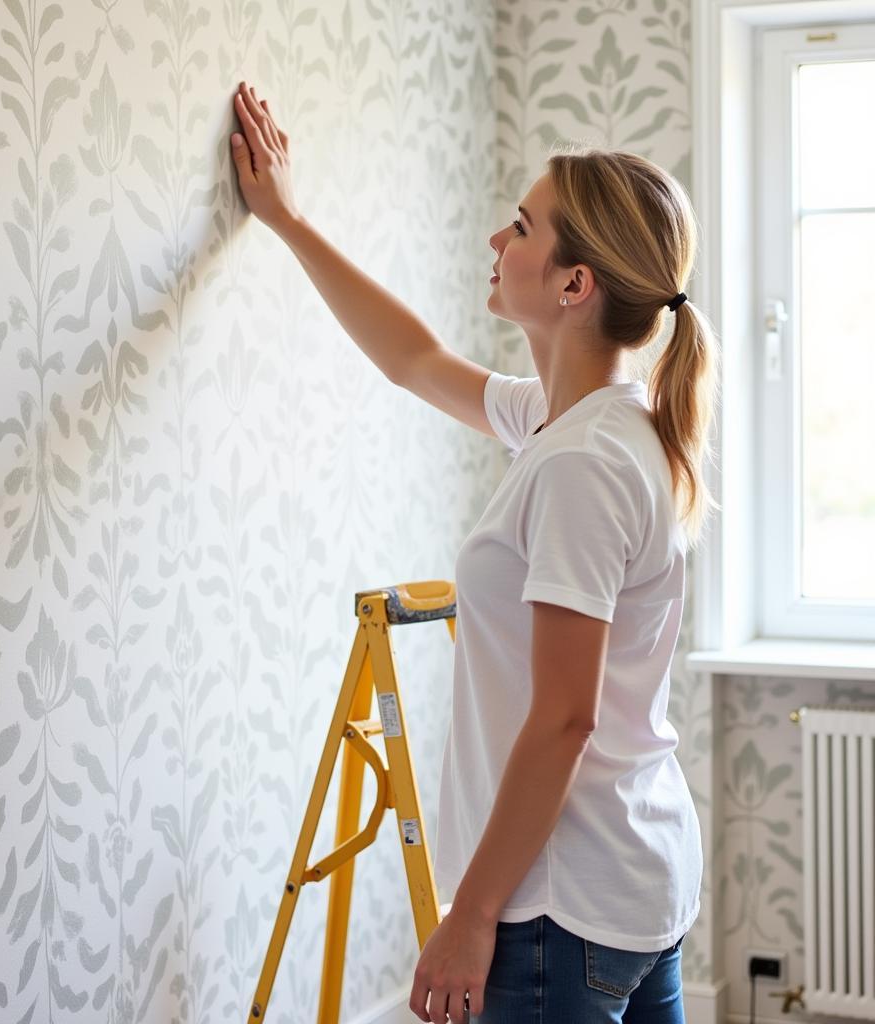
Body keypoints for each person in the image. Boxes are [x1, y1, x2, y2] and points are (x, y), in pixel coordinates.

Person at [231, 80, 717, 1024]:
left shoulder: (581, 462)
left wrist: (473, 913)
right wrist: (289, 223)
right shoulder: (585, 422)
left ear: (576, 286)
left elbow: (564, 720)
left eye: (522, 228)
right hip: (630, 876)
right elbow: (413, 360)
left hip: (560, 907)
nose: (498, 242)